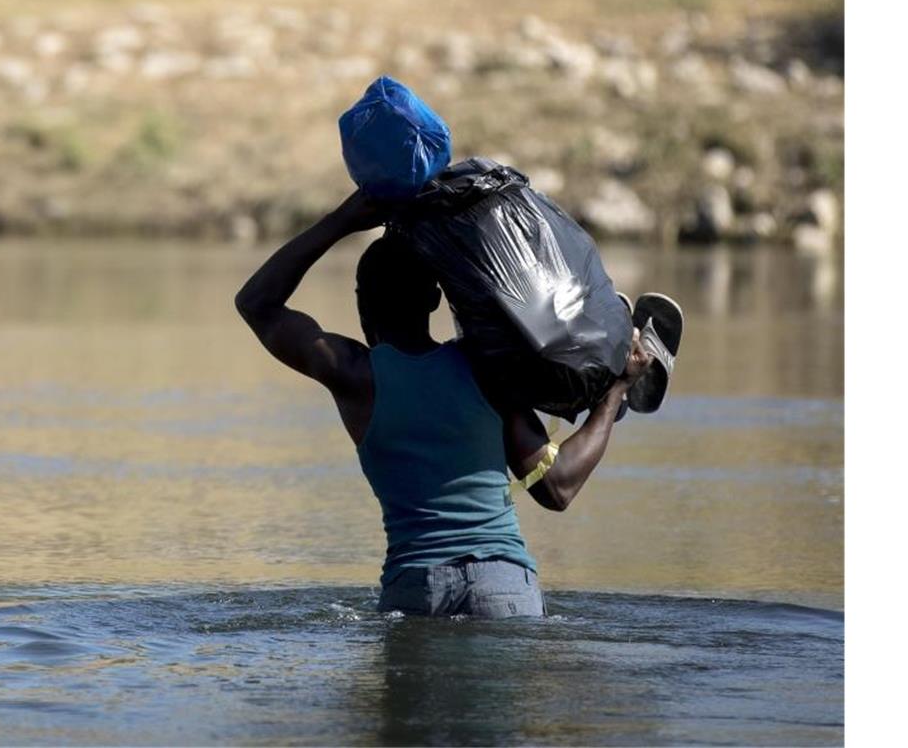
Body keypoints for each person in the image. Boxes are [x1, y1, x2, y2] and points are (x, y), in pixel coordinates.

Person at [234, 190, 651, 618]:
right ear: (436, 299)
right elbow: (557, 486)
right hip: (503, 588)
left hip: (415, 587)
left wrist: (342, 220)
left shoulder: (356, 375)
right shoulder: (485, 368)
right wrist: (614, 394)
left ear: (362, 302)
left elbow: (256, 304)